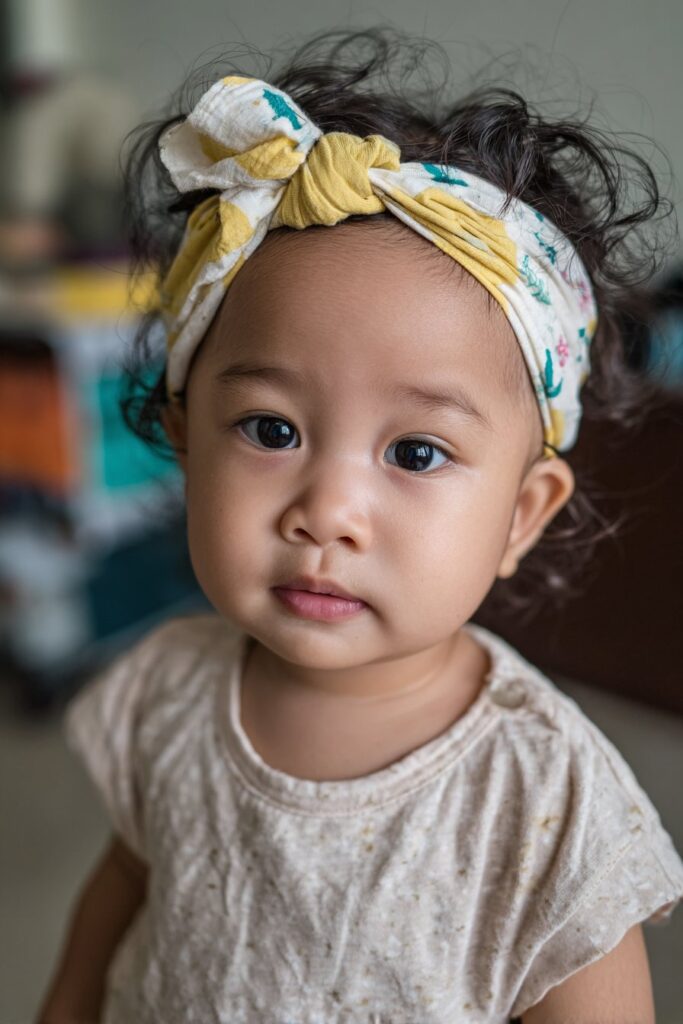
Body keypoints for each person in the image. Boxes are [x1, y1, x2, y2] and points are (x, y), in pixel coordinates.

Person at [36, 26, 683, 1024]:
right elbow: (128, 882)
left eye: (415, 452)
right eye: (271, 429)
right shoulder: (168, 688)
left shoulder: (544, 807)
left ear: (520, 514)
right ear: (184, 440)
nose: (327, 514)